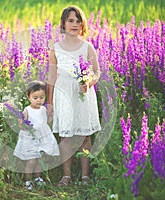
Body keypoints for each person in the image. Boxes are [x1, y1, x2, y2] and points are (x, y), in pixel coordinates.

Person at [47, 5, 102, 186]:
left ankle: (85, 176)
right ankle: (67, 176)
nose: (74, 24)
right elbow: (52, 76)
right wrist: (50, 103)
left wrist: (88, 82)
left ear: (82, 25)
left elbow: (96, 71)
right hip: (63, 94)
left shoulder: (87, 47)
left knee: (85, 136)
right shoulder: (55, 49)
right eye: (71, 20)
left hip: (82, 95)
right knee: (66, 135)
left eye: (78, 21)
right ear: (63, 23)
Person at [13, 80, 60, 190]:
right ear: (28, 97)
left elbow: (46, 121)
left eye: (42, 97)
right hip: (31, 139)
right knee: (31, 161)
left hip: (42, 137)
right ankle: (27, 180)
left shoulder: (43, 109)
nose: (39, 100)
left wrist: (52, 116)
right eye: (35, 98)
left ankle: (37, 177)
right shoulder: (27, 110)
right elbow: (22, 124)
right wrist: (22, 123)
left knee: (40, 159)